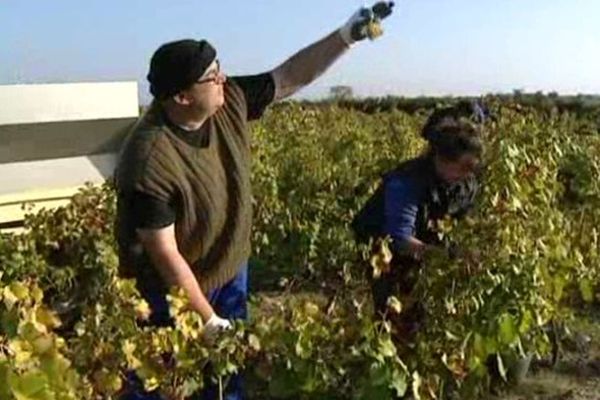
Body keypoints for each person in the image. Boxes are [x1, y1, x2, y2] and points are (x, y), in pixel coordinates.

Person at [114, 3, 395, 399]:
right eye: (212, 77)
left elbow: (290, 76)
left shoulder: (227, 100)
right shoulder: (148, 161)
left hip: (229, 267)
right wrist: (207, 320)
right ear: (180, 96)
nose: (223, 79)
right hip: (171, 293)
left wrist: (346, 36)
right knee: (164, 382)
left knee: (228, 377)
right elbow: (165, 254)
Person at [352, 101, 487, 339]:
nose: (469, 172)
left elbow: (465, 218)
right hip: (383, 243)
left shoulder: (464, 181)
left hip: (422, 239)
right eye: (464, 166)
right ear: (442, 159)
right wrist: (447, 256)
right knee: (393, 308)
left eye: (472, 167)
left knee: (420, 306)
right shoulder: (406, 182)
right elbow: (400, 239)